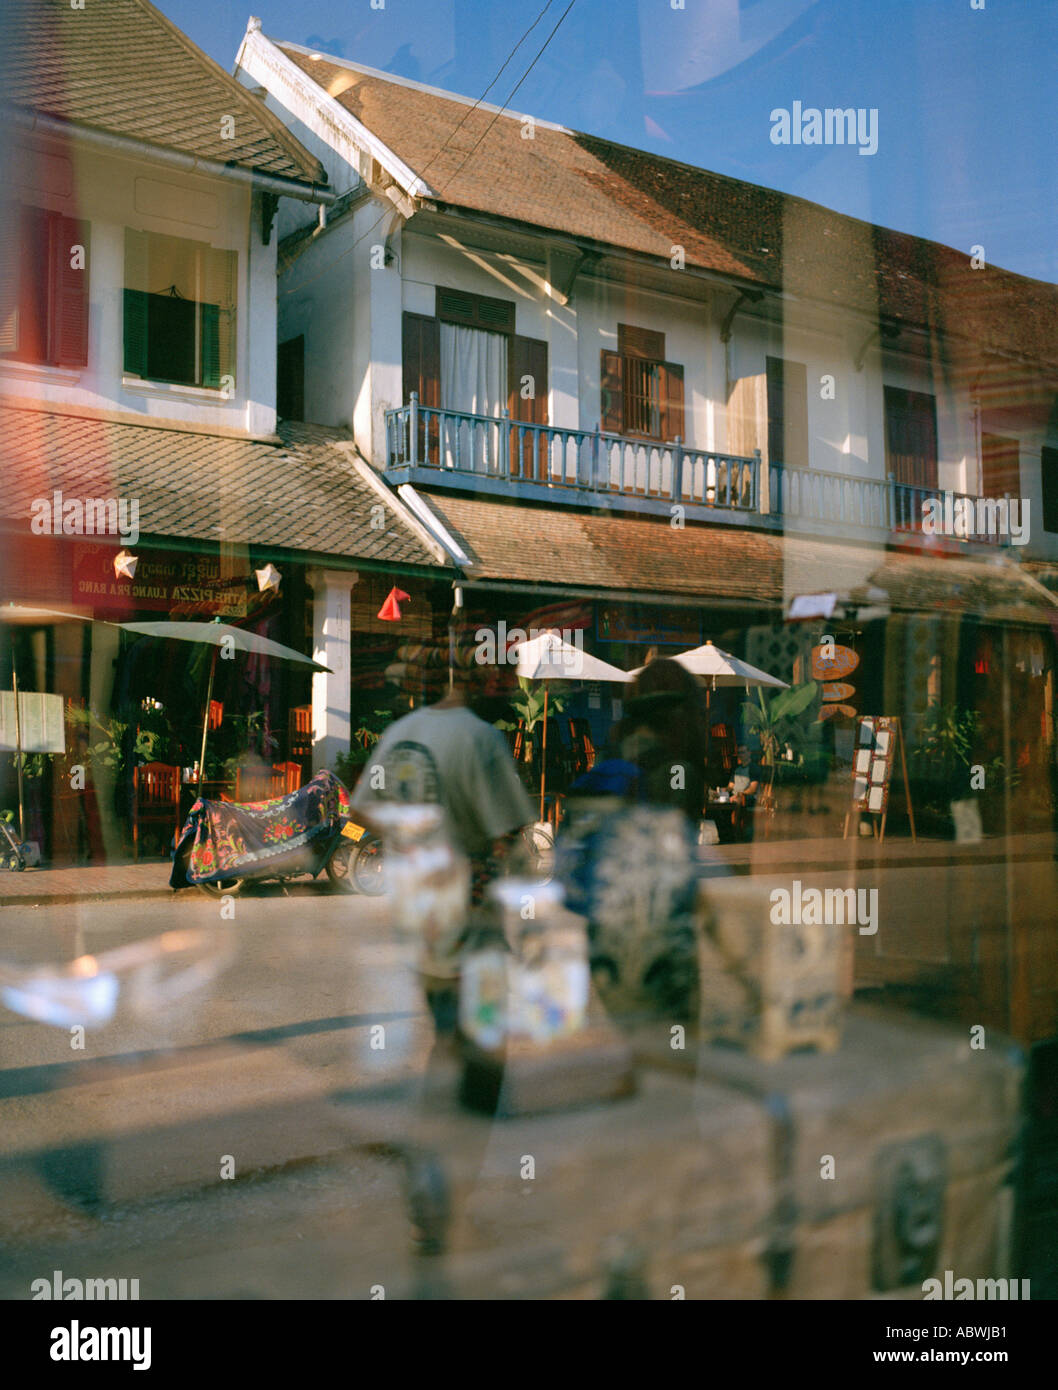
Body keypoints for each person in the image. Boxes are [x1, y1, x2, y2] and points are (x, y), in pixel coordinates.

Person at [351, 634, 533, 1033]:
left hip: (416, 907)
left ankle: (450, 1084)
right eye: (504, 680)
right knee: (483, 1033)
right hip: (467, 907)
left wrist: (412, 832)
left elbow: (359, 807)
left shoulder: (400, 732)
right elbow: (513, 833)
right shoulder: (481, 737)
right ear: (477, 679)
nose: (510, 691)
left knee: (448, 1027)